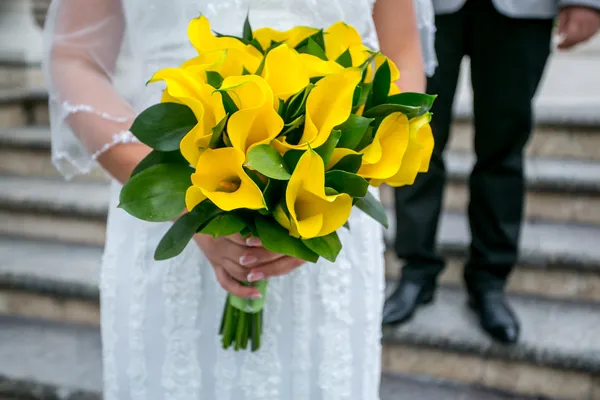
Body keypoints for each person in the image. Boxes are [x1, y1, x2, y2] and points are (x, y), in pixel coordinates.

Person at [43, 0, 434, 398]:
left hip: (327, 211)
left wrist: (334, 187)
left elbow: (401, 55)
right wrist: (189, 203)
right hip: (168, 194)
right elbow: (74, 58)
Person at [383, 0, 600, 344]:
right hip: (428, 7)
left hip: (523, 11)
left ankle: (490, 279)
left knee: (504, 150)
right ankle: (416, 270)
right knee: (415, 141)